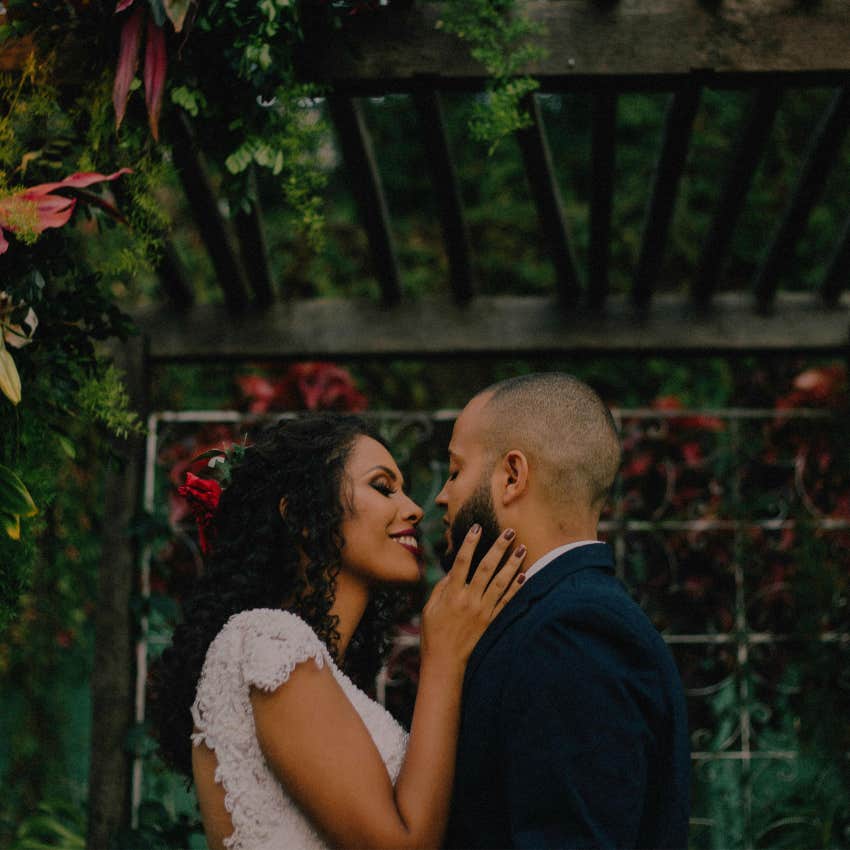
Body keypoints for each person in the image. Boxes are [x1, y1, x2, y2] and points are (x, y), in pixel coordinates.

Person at [150, 412, 528, 850]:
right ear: (304, 515)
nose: (414, 508)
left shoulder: (312, 665)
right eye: (383, 487)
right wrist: (443, 659)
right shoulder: (270, 641)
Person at [436, 373, 691, 850]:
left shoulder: (573, 630)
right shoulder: (557, 617)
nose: (442, 496)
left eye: (454, 470)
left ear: (513, 476)